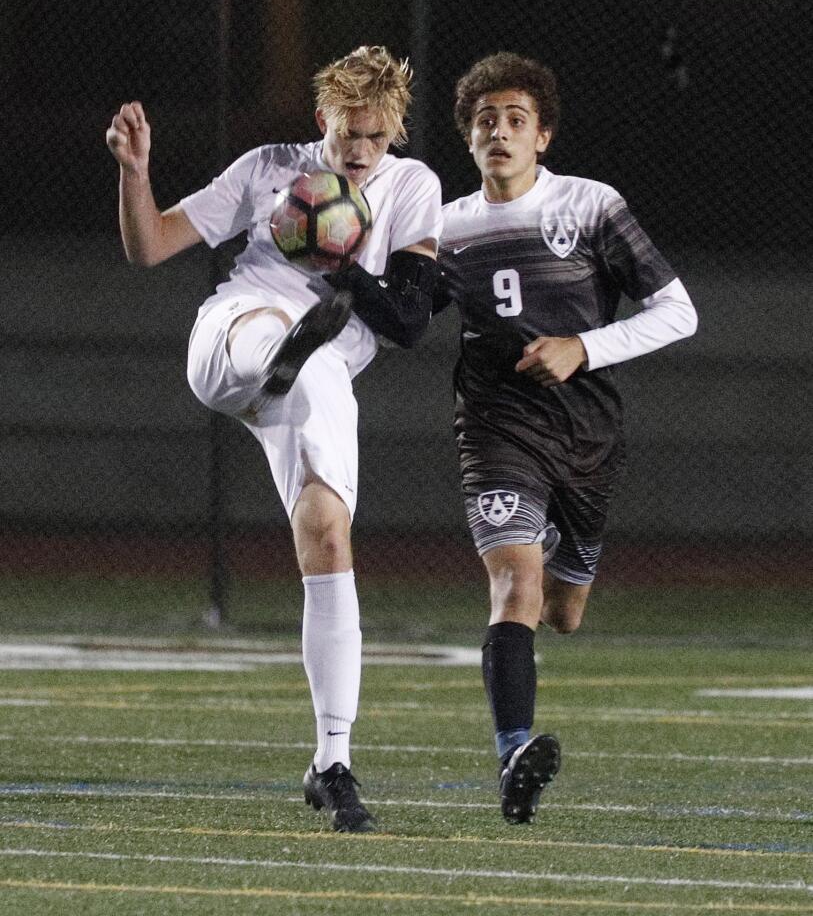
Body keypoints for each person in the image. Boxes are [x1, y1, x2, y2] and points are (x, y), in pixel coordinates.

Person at [106, 45, 443, 833]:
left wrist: (342, 270)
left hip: (323, 365)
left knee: (327, 536)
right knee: (273, 332)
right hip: (239, 330)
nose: (357, 150)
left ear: (394, 129)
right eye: (344, 132)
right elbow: (149, 244)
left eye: (374, 135)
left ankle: (332, 761)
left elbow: (409, 322)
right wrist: (134, 171)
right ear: (319, 118)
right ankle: (278, 356)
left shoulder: (414, 186)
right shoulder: (268, 168)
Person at [435, 52, 697, 824]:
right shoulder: (443, 228)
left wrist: (584, 346)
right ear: (468, 137)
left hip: (585, 432)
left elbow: (679, 312)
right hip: (495, 426)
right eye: (484, 120)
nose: (499, 132)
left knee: (564, 610)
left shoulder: (590, 206)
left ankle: (557, 549)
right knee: (515, 583)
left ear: (542, 135)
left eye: (515, 119)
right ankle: (514, 753)